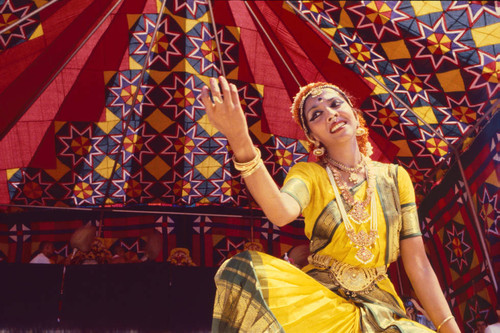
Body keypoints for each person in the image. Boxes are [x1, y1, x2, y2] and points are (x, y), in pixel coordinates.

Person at [201, 76, 461, 332]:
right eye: (316, 115)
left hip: (382, 311)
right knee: (241, 271)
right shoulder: (309, 174)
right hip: (322, 307)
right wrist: (240, 139)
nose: (329, 114)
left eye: (336, 104)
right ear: (313, 136)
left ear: (354, 112)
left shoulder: (395, 177)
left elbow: (418, 264)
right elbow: (280, 212)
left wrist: (450, 329)